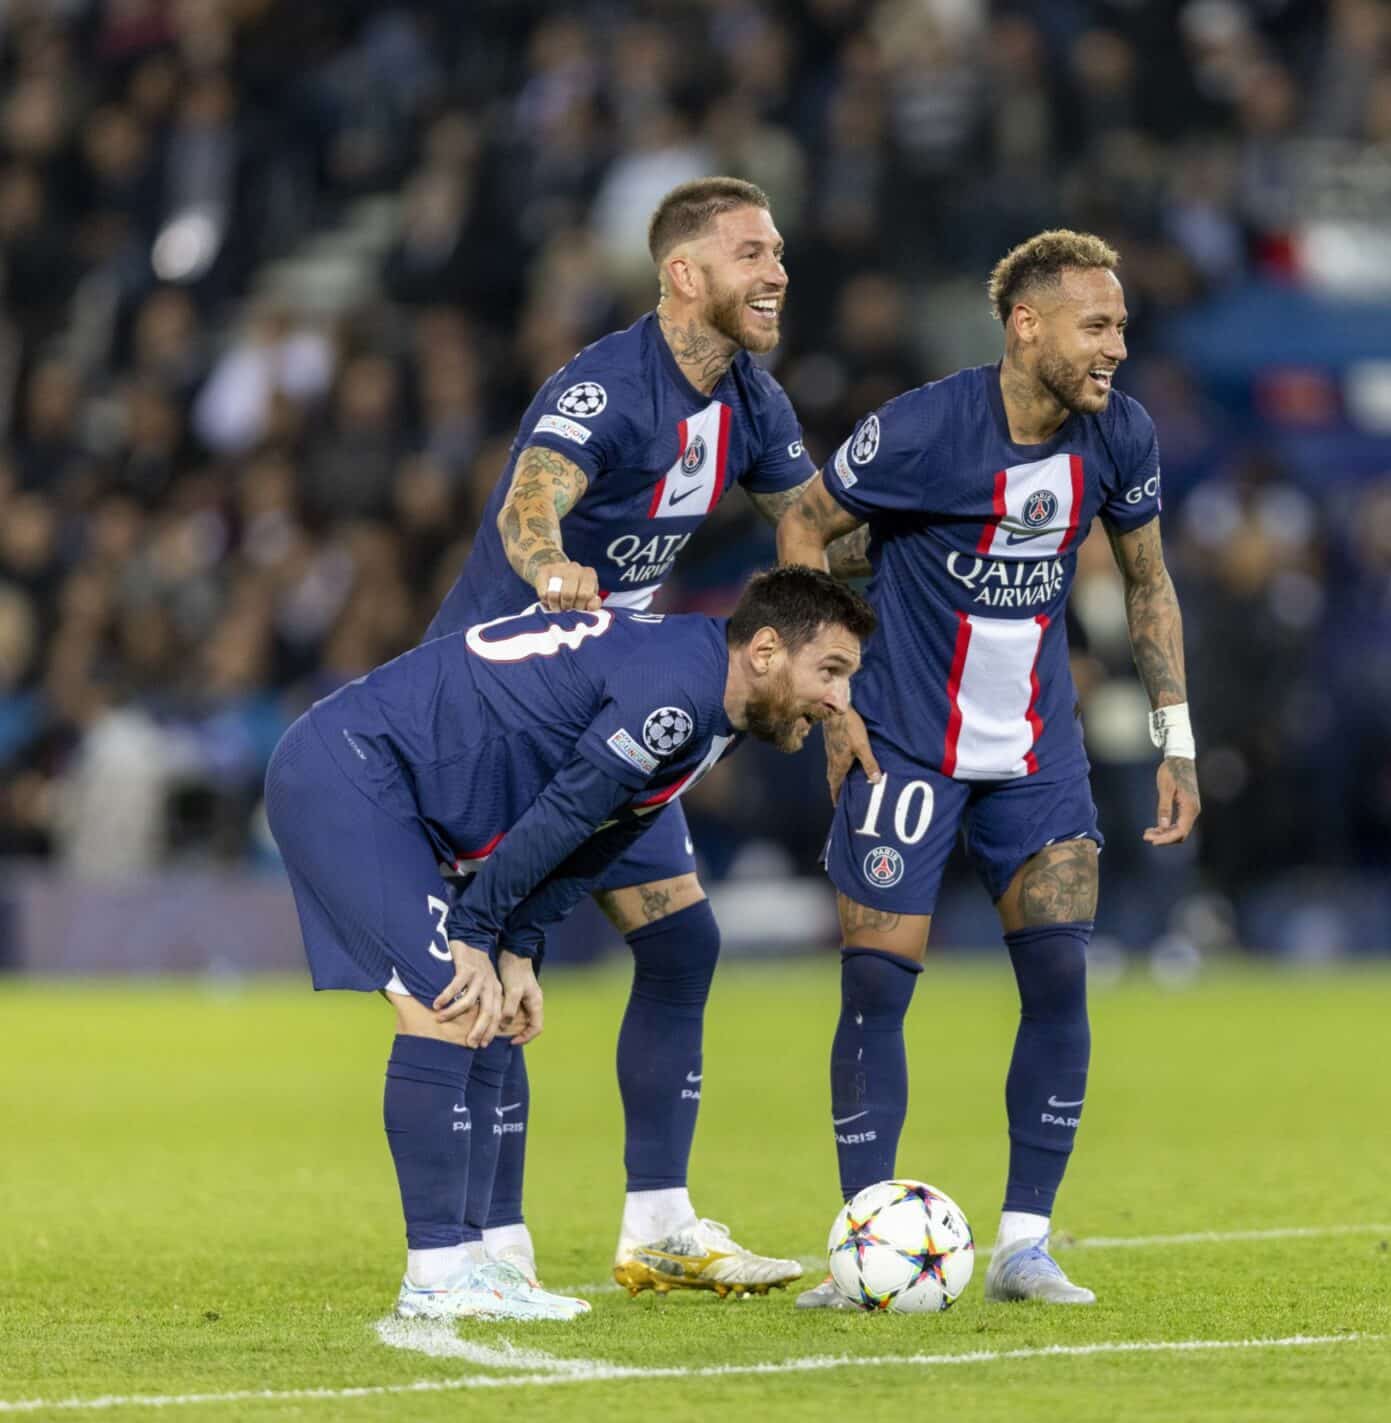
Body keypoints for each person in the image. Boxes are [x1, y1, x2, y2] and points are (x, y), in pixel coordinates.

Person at [420, 177, 872, 1299]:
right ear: (683, 275)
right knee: (498, 948)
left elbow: (809, 526)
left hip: (618, 702)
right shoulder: (608, 385)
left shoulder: (752, 399)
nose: (776, 271)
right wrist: (551, 567)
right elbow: (531, 498)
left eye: (778, 251)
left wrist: (933, 530)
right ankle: (490, 1247)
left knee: (679, 945)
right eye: (750, 253)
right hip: (506, 703)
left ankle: (658, 1225)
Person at [265, 567, 876, 1320]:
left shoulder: (713, 703)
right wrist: (475, 932)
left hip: (397, 787)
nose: (839, 699)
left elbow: (606, 835)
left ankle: (477, 1262)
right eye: (832, 671)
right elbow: (560, 814)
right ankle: (434, 1274)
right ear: (766, 650)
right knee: (450, 1004)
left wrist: (517, 943)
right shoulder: (675, 696)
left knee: (486, 1014)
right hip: (350, 771)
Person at [776, 229, 1199, 1307]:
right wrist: (827, 696)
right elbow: (802, 526)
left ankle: (1024, 1245)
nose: (1114, 348)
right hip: (907, 744)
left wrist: (1173, 736)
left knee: (1058, 977)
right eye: (1094, 326)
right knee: (874, 985)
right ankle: (863, 1241)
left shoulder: (1120, 436)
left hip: (1036, 755)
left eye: (1120, 328)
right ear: (1026, 326)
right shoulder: (921, 429)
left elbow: (1147, 586)